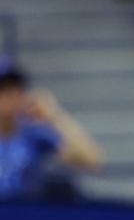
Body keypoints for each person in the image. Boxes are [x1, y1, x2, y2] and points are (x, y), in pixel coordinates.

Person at [0, 60, 104, 201]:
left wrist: (54, 116)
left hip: (26, 216)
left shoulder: (32, 132)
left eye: (16, 87)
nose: (11, 94)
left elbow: (91, 160)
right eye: (3, 88)